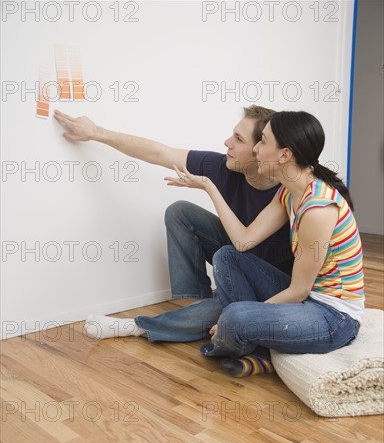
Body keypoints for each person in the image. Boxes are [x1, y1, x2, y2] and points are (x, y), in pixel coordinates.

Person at [54, 106, 293, 343]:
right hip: (237, 258)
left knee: (225, 299)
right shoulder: (222, 167)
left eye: (238, 139)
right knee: (180, 212)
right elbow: (159, 153)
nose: (227, 142)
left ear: (260, 150)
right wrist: (97, 133)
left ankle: (137, 326)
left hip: (272, 284)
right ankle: (196, 303)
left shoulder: (288, 190)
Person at [164, 111, 364, 377]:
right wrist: (209, 188)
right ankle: (255, 343)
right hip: (309, 301)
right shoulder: (288, 192)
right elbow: (243, 241)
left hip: (334, 317)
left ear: (284, 155)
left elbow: (299, 292)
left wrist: (234, 317)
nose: (256, 149)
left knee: (234, 317)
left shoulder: (318, 209)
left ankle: (252, 346)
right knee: (227, 256)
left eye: (263, 142)